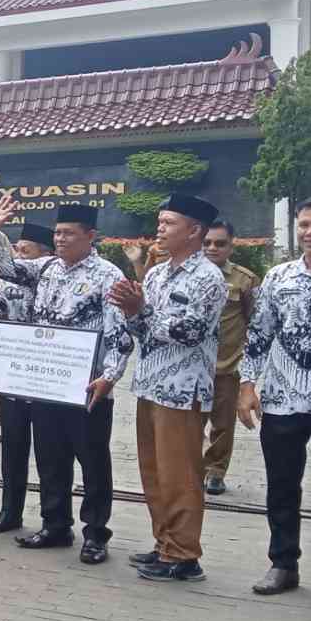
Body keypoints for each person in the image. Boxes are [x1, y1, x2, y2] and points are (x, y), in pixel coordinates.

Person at [0, 197, 132, 565]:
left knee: (92, 462)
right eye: (58, 233)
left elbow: (120, 335)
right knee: (51, 458)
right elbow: (4, 268)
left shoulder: (108, 276)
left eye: (69, 234)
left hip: (87, 387)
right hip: (46, 384)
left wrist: (109, 377)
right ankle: (55, 524)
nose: (61, 240)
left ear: (90, 236)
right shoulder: (47, 268)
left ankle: (95, 534)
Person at [108, 193, 225, 582]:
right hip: (151, 384)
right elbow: (145, 330)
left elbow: (189, 333)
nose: (160, 229)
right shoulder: (157, 273)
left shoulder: (208, 277)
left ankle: (185, 555)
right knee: (154, 472)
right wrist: (131, 312)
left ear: (194, 231)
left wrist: (142, 310)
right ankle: (164, 544)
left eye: (169, 223)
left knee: (180, 474)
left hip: (183, 388)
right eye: (159, 221)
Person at [239, 193, 311, 606]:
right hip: (281, 399)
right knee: (282, 485)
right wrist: (247, 384)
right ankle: (283, 562)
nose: (310, 232)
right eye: (304, 225)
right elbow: (259, 335)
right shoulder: (280, 278)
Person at [0, 222, 56, 533]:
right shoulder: (8, 285)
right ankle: (10, 511)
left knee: (50, 451)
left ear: (45, 256)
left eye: (25, 252)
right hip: (13, 375)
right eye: (17, 251)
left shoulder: (51, 280)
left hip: (47, 377)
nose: (18, 258)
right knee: (13, 446)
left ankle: (53, 518)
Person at [194, 220, 257, 495]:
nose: (212, 248)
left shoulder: (245, 280)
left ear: (231, 244)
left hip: (226, 366)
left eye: (220, 243)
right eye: (207, 242)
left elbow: (256, 323)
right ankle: (191, 469)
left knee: (222, 424)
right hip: (193, 367)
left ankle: (216, 471)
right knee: (190, 423)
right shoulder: (188, 275)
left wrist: (249, 371)